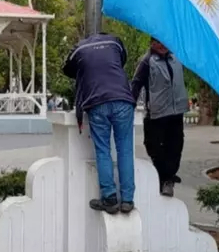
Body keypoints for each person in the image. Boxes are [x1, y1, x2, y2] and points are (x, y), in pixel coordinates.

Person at [63, 33, 136, 214]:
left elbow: (67, 69)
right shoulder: (115, 41)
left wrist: (86, 71)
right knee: (125, 149)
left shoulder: (79, 49)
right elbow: (121, 60)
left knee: (103, 150)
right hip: (123, 99)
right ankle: (127, 200)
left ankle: (109, 198)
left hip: (97, 101)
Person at [132, 38, 188, 197]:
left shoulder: (176, 58)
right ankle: (163, 176)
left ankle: (168, 177)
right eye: (158, 42)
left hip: (176, 112)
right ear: (151, 43)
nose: (162, 45)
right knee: (153, 146)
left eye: (164, 40)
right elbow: (136, 84)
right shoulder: (147, 61)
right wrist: (129, 106)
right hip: (157, 113)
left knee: (175, 146)